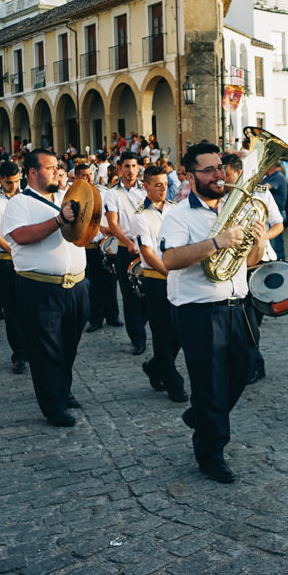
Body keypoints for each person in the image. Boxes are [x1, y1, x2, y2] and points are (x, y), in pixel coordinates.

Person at [160, 143, 265, 483]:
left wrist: (258, 242)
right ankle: (211, 453)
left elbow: (248, 263)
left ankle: (203, 416)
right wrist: (217, 242)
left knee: (245, 368)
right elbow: (171, 260)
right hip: (200, 312)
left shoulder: (234, 210)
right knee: (210, 386)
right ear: (190, 176)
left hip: (239, 307)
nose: (218, 175)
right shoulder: (178, 215)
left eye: (219, 168)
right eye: (208, 170)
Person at [2, 150, 91, 427]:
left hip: (75, 285)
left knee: (68, 345)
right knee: (46, 349)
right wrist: (58, 221)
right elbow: (20, 236)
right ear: (32, 173)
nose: (57, 171)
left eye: (57, 167)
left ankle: (62, 390)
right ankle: (53, 406)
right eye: (50, 167)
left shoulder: (65, 199)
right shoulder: (19, 203)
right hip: (40, 288)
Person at [223, 152, 283, 383]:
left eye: (226, 174)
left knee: (253, 319)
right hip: (234, 264)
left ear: (239, 173)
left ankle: (254, 364)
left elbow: (279, 223)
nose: (223, 179)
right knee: (241, 319)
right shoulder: (221, 198)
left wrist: (262, 238)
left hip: (260, 262)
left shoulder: (262, 193)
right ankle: (248, 362)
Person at [132, 165, 187, 401]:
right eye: (157, 184)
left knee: (179, 332)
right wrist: (171, 271)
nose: (163, 188)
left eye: (165, 183)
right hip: (157, 280)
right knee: (162, 333)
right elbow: (147, 253)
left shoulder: (177, 209)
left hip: (178, 277)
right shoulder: (140, 216)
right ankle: (174, 383)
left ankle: (155, 367)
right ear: (146, 186)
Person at [103, 152, 149, 355]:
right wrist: (128, 242)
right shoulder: (112, 193)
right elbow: (113, 223)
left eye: (134, 166)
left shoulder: (146, 190)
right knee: (130, 297)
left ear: (139, 167)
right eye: (126, 166)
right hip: (126, 249)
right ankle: (138, 338)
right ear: (120, 168)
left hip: (147, 248)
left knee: (149, 294)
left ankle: (142, 325)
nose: (130, 170)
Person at [0, 160, 27, 373]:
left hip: (28, 258)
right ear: (0, 180)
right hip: (5, 259)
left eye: (17, 181)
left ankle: (31, 349)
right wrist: (13, 250)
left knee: (29, 306)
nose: (13, 186)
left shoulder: (26, 196)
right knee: (12, 308)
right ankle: (19, 354)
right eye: (9, 182)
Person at [79, 161, 122, 332]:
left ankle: (113, 315)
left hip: (107, 243)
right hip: (89, 244)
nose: (88, 177)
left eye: (90, 174)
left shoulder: (105, 192)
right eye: (84, 175)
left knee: (111, 281)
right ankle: (95, 318)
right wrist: (99, 228)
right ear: (77, 177)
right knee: (94, 284)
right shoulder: (74, 195)